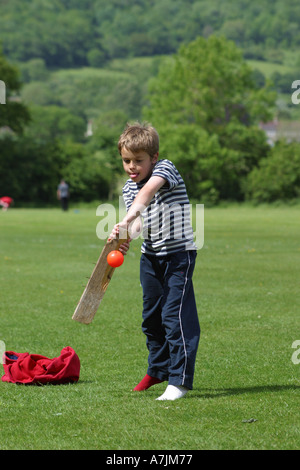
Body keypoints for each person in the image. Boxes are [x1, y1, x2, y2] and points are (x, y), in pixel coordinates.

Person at [109, 122, 200, 401]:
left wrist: (125, 220)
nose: (132, 167)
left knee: (175, 317)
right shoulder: (128, 187)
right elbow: (140, 224)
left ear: (154, 157)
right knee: (151, 319)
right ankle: (158, 370)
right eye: (126, 161)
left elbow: (146, 196)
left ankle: (179, 381)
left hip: (178, 256)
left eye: (138, 160)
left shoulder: (165, 169)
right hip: (150, 258)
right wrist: (126, 237)